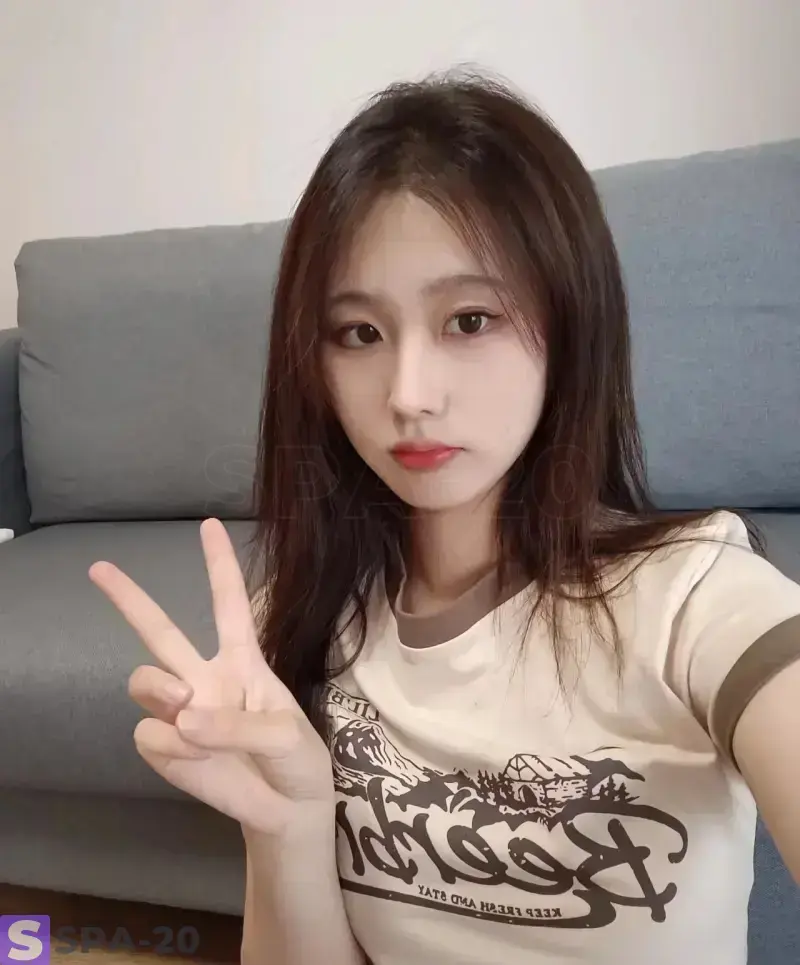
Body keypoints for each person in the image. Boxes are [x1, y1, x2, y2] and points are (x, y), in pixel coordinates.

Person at [88, 72, 800, 965]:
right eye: (359, 332)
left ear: (570, 323)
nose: (409, 395)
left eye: (469, 319)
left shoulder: (696, 601)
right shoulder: (300, 621)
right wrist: (288, 823)